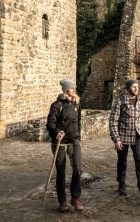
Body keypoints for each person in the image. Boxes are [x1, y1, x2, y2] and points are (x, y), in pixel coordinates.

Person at [109, 78, 140, 204]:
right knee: (122, 161)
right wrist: (116, 139)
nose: (136, 89)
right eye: (133, 87)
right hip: (123, 136)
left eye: (137, 87)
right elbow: (113, 121)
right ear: (128, 88)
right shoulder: (120, 101)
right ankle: (121, 183)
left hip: (138, 136)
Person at [46, 79, 84, 213]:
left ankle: (75, 198)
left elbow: (78, 121)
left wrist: (78, 136)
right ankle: (62, 201)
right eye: (72, 88)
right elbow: (50, 124)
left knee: (78, 169)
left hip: (74, 141)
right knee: (61, 172)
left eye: (74, 87)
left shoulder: (76, 103)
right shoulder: (56, 105)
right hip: (60, 142)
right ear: (66, 90)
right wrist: (57, 131)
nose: (74, 89)